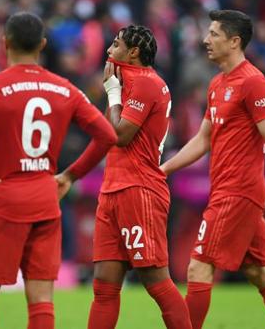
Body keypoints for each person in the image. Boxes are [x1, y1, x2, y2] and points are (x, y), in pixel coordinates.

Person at [0, 12, 117, 329]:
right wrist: (69, 176)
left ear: (5, 42)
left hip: (2, 202)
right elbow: (107, 135)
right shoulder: (65, 89)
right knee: (41, 301)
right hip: (45, 202)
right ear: (43, 45)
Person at [160, 10, 265, 329]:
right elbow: (203, 139)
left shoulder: (253, 82)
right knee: (260, 273)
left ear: (234, 41)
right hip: (227, 191)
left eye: (214, 34)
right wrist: (164, 168)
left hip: (237, 192)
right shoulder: (217, 84)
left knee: (198, 268)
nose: (205, 40)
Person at [63, 25, 192, 329]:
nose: (109, 50)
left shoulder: (147, 83)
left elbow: (118, 135)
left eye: (116, 44)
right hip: (114, 189)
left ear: (133, 52)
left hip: (139, 189)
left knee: (156, 281)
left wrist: (112, 91)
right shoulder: (127, 81)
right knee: (104, 286)